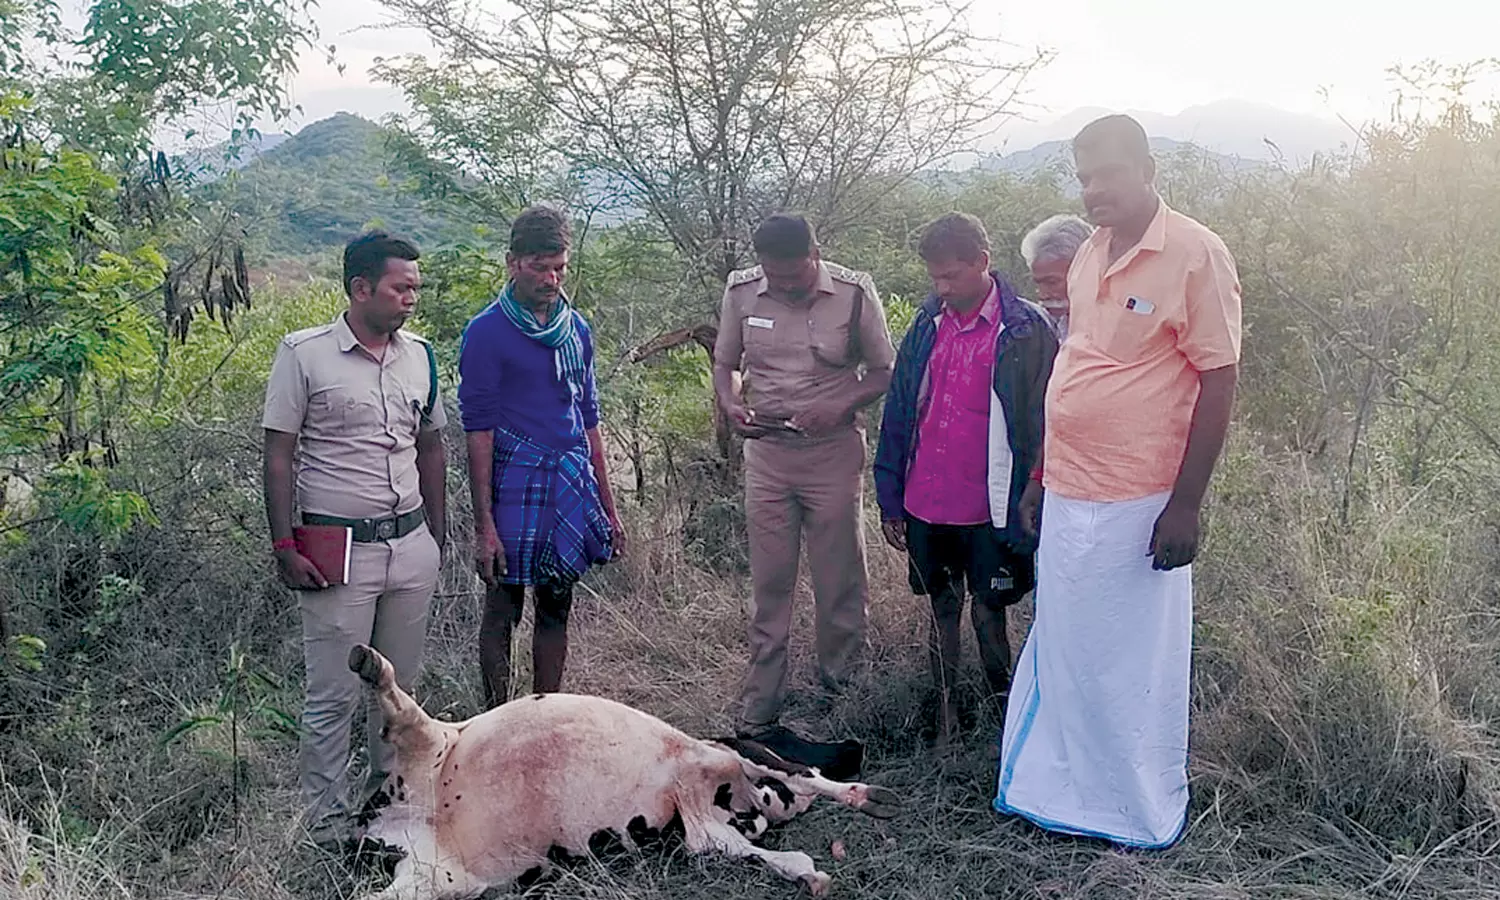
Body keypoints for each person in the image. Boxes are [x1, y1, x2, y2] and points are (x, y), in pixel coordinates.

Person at [993, 114, 1242, 848]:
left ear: (1147, 170)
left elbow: (1219, 381)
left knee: (1131, 654)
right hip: (1071, 490)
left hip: (1142, 499)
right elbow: (1077, 367)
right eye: (1084, 176)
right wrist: (1041, 475)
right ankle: (1064, 785)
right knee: (1070, 642)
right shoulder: (1088, 252)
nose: (1095, 189)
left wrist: (1186, 505)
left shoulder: (1195, 253)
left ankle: (1131, 801)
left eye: (1108, 173)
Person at [261, 230, 447, 851]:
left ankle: (387, 815)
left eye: (416, 287)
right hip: (338, 550)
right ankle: (330, 830)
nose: (411, 299)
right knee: (333, 697)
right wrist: (285, 545)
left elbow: (431, 444)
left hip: (410, 544)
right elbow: (279, 454)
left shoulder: (421, 356)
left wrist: (436, 538)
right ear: (360, 288)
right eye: (401, 287)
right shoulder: (305, 354)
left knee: (398, 696)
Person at [873, 213, 1058, 743]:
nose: (942, 287)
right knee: (941, 607)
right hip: (928, 500)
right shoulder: (928, 325)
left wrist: (1034, 490)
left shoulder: (1025, 330)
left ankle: (1006, 720)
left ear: (983, 262)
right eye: (934, 277)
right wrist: (890, 497)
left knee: (990, 612)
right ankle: (947, 716)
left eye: (951, 276)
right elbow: (901, 412)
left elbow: (1046, 419)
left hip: (993, 506)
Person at [713, 214, 896, 739]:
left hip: (831, 454)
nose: (786, 285)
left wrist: (837, 403)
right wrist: (729, 402)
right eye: (776, 276)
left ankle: (841, 693)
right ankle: (761, 702)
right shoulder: (743, 292)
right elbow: (725, 364)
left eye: (794, 275)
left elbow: (884, 370)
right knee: (770, 584)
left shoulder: (854, 293)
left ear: (815, 253)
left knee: (839, 579)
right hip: (768, 457)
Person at [458, 205, 625, 709]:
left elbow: (589, 417)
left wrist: (608, 506)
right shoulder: (486, 332)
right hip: (515, 478)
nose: (551, 278)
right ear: (512, 263)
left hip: (569, 478)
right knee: (503, 605)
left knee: (558, 602)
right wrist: (484, 524)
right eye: (539, 267)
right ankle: (497, 719)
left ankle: (545, 716)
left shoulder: (577, 329)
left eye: (560, 268)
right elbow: (478, 430)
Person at [1020, 213, 1093, 340]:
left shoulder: (1115, 322)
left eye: (1052, 282)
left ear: (1084, 269)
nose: (1043, 295)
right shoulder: (1045, 328)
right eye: (1038, 284)